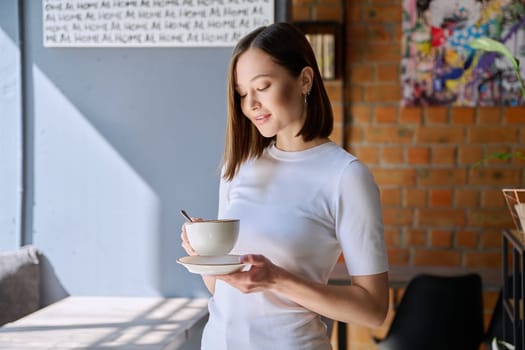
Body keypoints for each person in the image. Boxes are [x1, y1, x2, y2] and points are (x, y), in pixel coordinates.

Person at [181, 22, 389, 349]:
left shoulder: (346, 176)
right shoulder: (237, 168)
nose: (250, 105)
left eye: (262, 87)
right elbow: (225, 292)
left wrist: (277, 279)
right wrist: (205, 256)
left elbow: (374, 310)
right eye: (242, 94)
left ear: (304, 80)